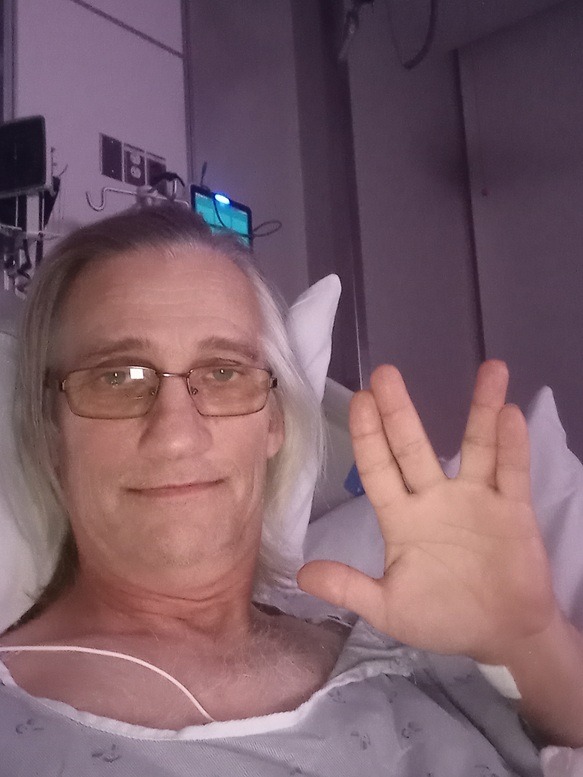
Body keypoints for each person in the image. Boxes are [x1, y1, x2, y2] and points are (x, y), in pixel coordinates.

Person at [0, 203, 581, 776]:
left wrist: (529, 640)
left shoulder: (412, 635)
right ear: (51, 429)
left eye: (224, 372)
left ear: (274, 422)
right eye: (117, 377)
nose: (176, 436)